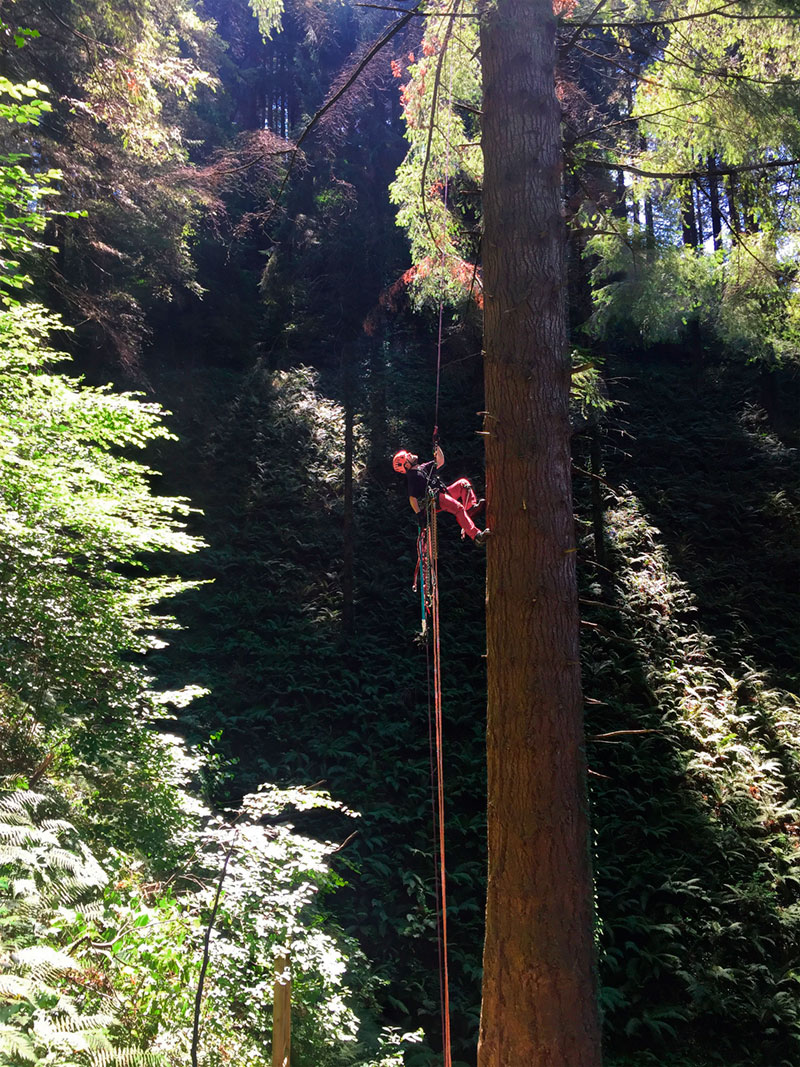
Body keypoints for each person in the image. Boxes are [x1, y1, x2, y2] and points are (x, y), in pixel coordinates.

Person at [392, 444, 490, 545]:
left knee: (463, 484)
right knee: (458, 508)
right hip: (436, 498)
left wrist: (436, 446)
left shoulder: (422, 468)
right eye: (408, 456)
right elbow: (412, 498)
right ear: (406, 465)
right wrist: (419, 514)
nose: (410, 454)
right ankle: (476, 536)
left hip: (442, 493)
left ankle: (470, 510)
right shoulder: (413, 476)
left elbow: (440, 461)